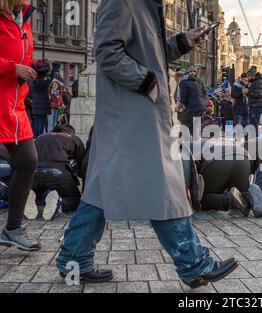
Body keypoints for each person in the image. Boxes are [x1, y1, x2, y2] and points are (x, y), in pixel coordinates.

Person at [56, 0, 238, 287]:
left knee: (101, 189)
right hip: (132, 115)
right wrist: (148, 82)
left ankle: (73, 259)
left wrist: (181, 42)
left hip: (133, 114)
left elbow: (148, 52)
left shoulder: (144, 5)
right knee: (162, 186)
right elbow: (106, 52)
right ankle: (193, 263)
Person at [0, 0, 41, 252]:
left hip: (14, 106)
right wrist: (12, 68)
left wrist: (33, 68)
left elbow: (21, 56)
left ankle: (12, 228)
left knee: (28, 162)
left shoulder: (23, 18)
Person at [188, 141, 262, 218]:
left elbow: (189, 175)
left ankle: (228, 200)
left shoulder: (181, 150)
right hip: (243, 157)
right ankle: (249, 195)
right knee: (240, 197)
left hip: (219, 160)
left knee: (201, 199)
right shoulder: (203, 144)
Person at [25, 125, 85, 221]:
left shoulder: (40, 137)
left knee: (39, 191)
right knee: (74, 198)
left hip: (33, 173)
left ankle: (30, 199)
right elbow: (82, 163)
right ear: (71, 132)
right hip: (58, 173)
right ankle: (60, 203)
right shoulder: (73, 138)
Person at [177, 67, 207, 134]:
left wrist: (179, 106)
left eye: (194, 71)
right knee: (195, 127)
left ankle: (183, 142)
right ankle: (194, 142)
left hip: (192, 107)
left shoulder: (185, 82)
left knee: (185, 125)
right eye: (191, 71)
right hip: (199, 107)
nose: (193, 73)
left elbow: (183, 97)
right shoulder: (195, 81)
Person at [29, 62, 52, 137]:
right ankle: (39, 137)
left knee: (35, 122)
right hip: (43, 106)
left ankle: (35, 136)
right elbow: (50, 77)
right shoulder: (44, 82)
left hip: (35, 105)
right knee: (41, 123)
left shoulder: (32, 82)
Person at [247, 67, 262, 137]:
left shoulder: (258, 82)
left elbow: (259, 94)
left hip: (256, 105)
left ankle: (255, 139)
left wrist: (248, 92)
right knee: (252, 123)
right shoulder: (253, 82)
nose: (248, 77)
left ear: (253, 75)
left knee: (254, 124)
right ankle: (254, 138)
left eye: (249, 75)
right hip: (253, 105)